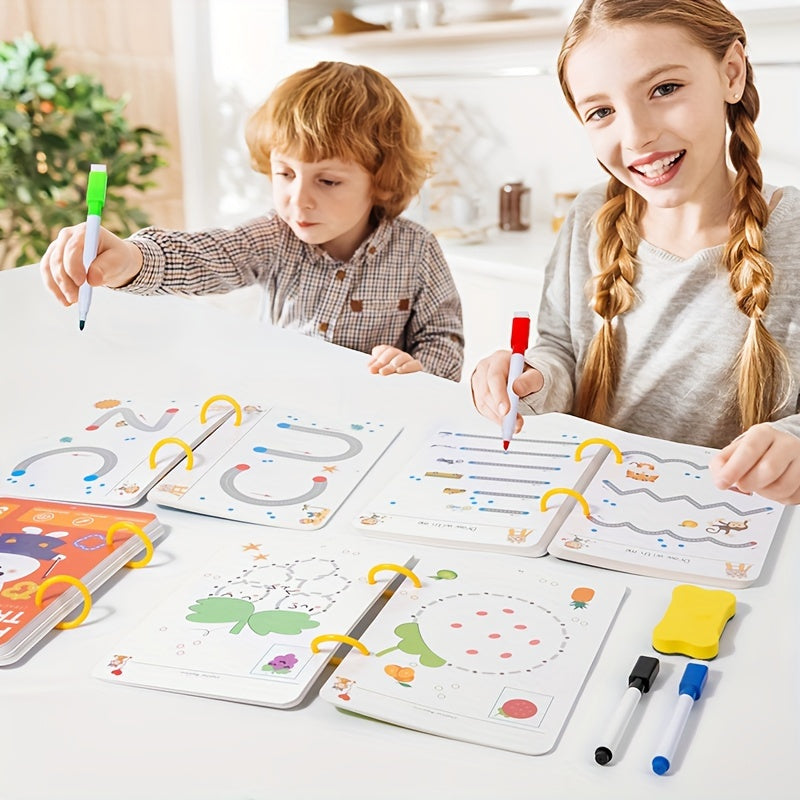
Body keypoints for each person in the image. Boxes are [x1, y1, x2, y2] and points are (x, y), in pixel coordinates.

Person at [470, 0, 800, 503]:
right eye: (601, 112)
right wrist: (530, 383)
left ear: (731, 73)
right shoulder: (587, 217)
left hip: (734, 528)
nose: (637, 135)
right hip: (591, 507)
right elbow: (560, 350)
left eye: (664, 89)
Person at [39, 61, 464, 382]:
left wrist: (418, 371)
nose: (299, 200)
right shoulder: (276, 237)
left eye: (328, 181)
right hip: (282, 405)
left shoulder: (417, 248)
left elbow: (444, 339)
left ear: (381, 181)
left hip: (377, 417)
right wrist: (133, 258)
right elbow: (208, 255)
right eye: (285, 174)